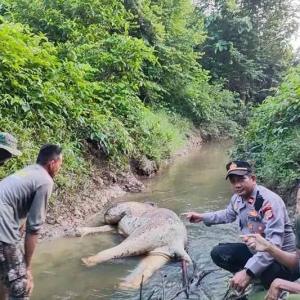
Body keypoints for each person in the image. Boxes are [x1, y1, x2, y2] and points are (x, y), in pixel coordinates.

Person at [183, 160, 299, 296]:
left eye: (241, 179)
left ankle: (258, 280)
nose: (237, 185)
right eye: (233, 181)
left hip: (281, 262)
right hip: (256, 252)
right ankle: (253, 278)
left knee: (266, 273)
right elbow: (227, 214)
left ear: (253, 179)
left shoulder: (269, 202)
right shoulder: (237, 199)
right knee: (219, 253)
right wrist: (202, 217)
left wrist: (248, 272)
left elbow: (274, 245)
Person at [0, 144, 63, 300]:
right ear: (52, 163)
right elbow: (34, 229)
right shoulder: (45, 181)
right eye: (60, 164)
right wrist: (27, 268)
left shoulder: (28, 171)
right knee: (22, 285)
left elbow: (12, 199)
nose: (60, 169)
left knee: (2, 279)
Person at [243, 213, 300, 300]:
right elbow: (296, 263)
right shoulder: (298, 221)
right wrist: (269, 248)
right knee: (253, 297)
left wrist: (281, 284)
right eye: (298, 201)